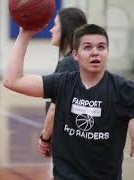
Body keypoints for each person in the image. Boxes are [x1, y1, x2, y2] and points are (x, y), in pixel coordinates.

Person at [3, 24, 134, 179]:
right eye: (87, 47)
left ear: (107, 52)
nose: (95, 52)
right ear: (75, 54)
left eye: (101, 47)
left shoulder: (121, 88)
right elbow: (12, 81)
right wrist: (24, 35)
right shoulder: (62, 83)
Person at [38, 7, 87, 157]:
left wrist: (45, 138)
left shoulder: (67, 64)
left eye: (55, 25)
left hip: (68, 145)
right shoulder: (79, 60)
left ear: (66, 28)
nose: (51, 30)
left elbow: (55, 108)